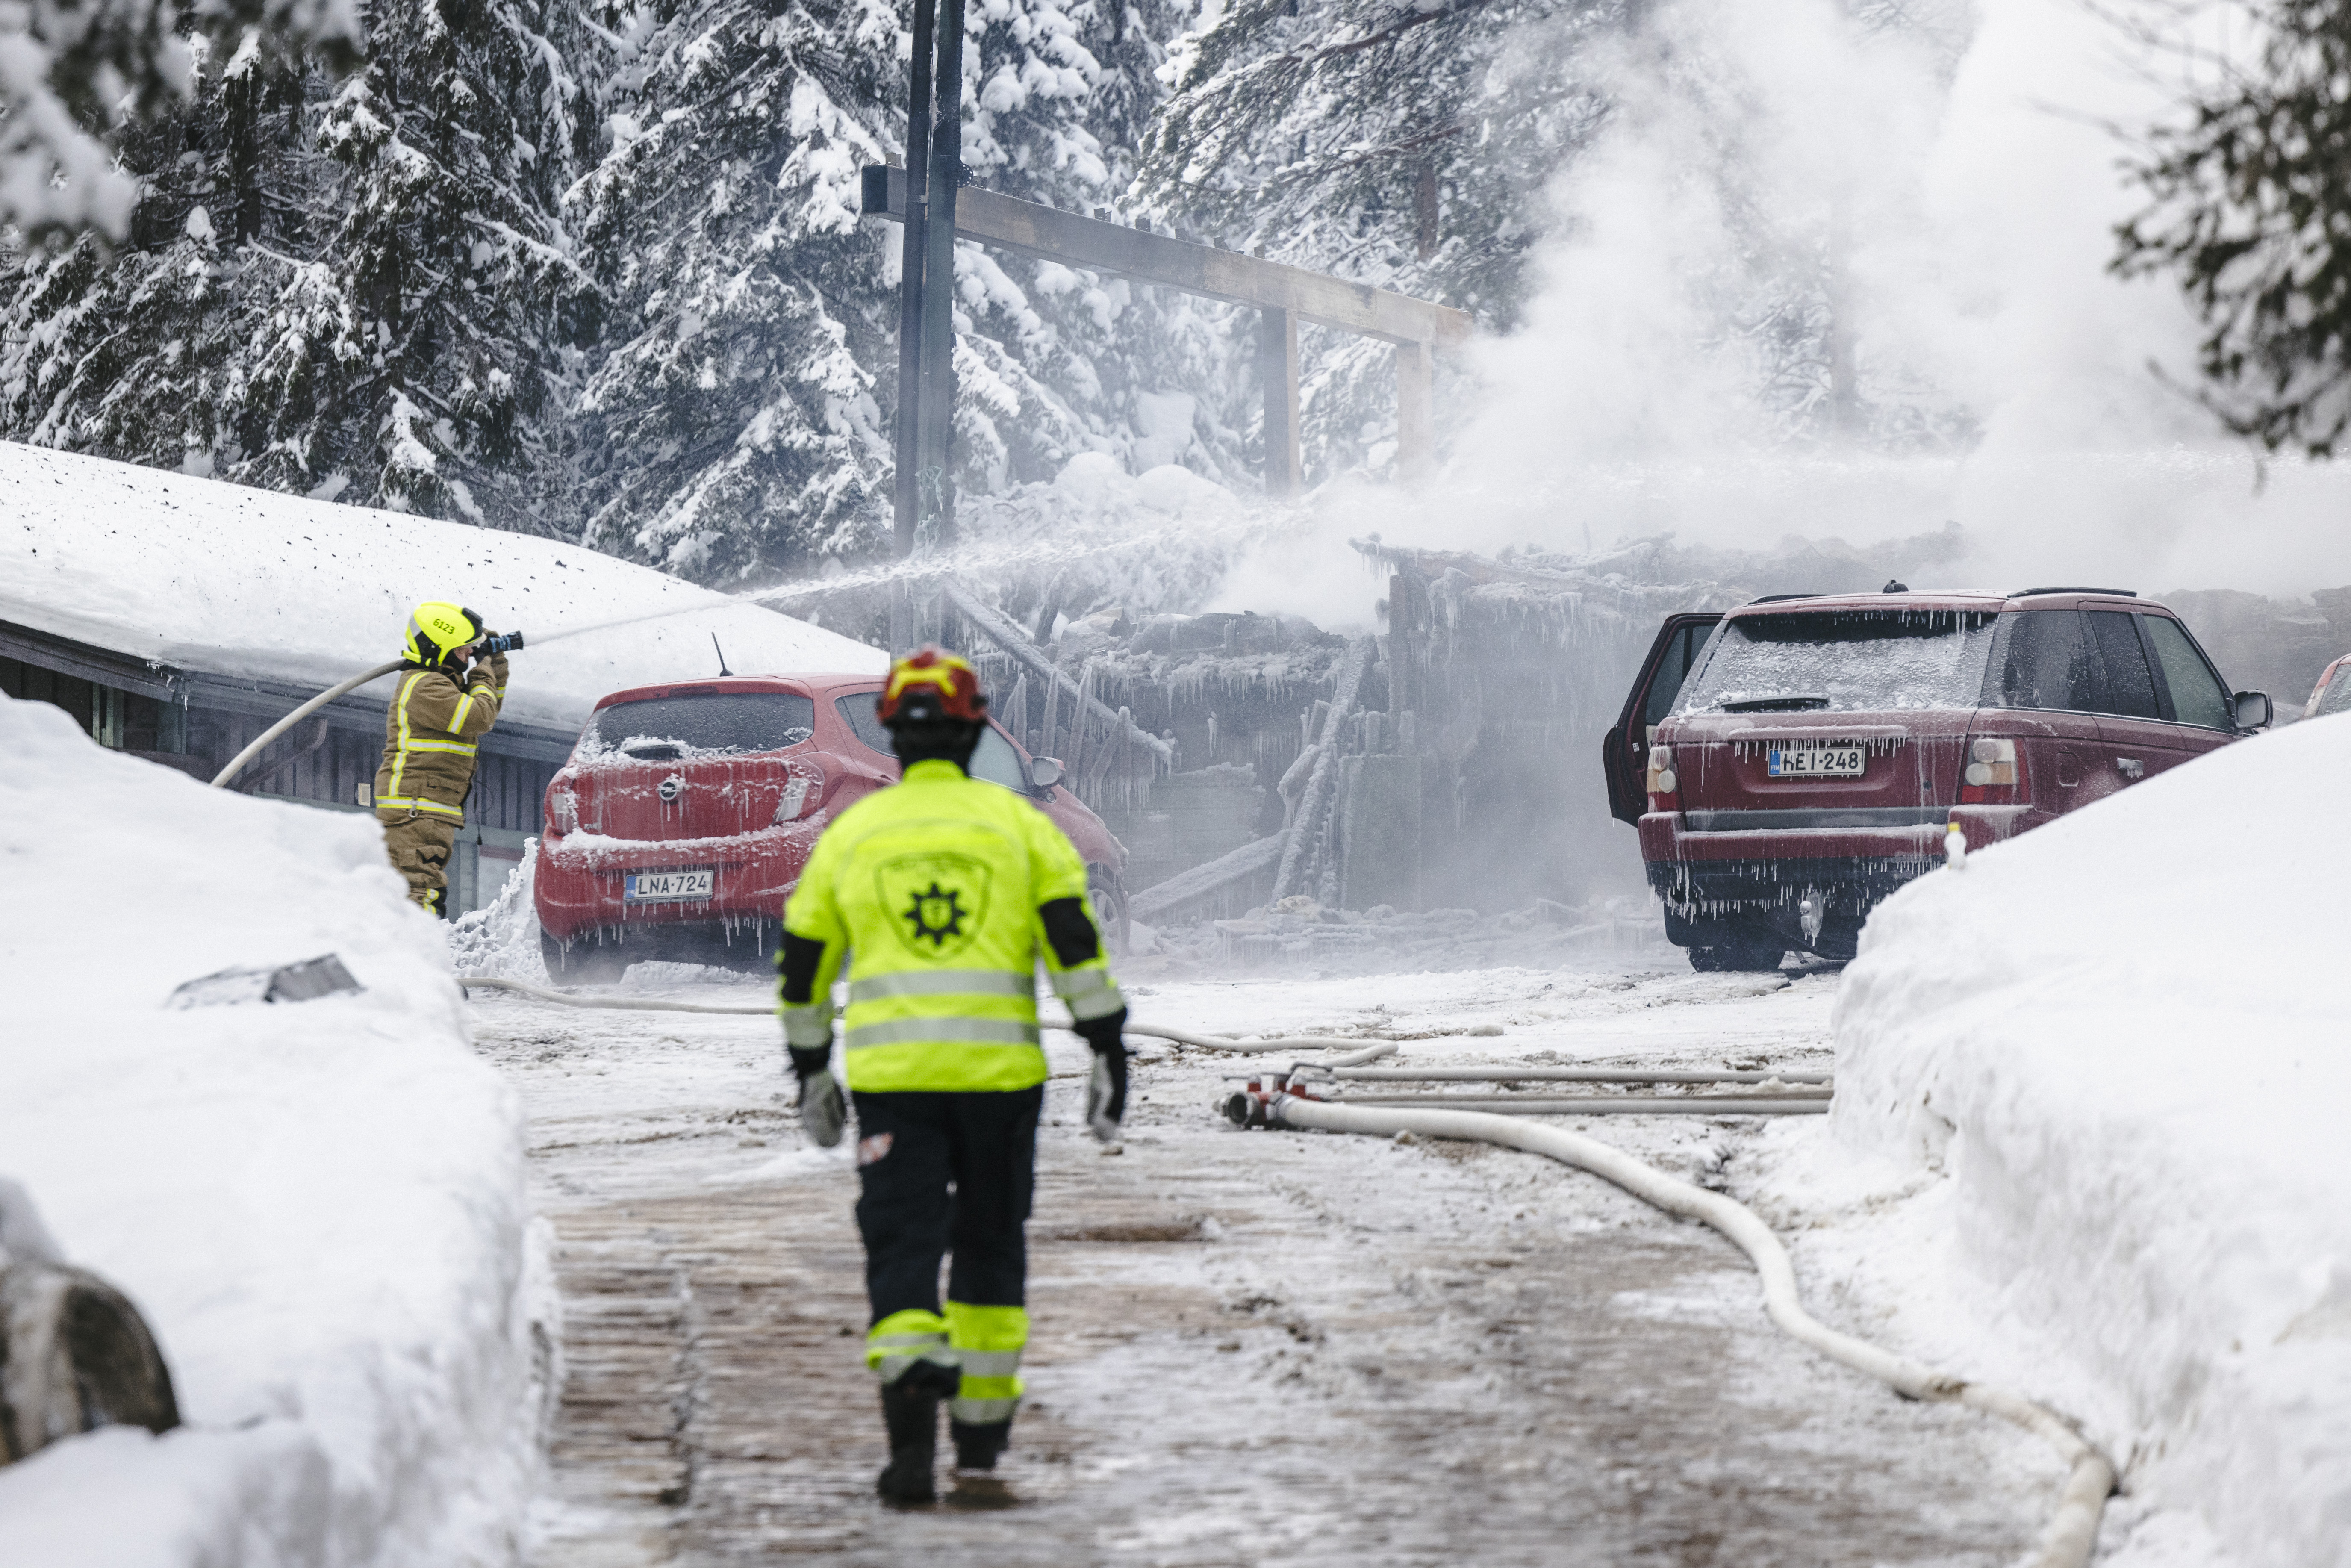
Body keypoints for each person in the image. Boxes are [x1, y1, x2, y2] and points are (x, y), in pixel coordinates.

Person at [775, 647, 1129, 1505]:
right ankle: (977, 1443)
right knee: (988, 1250)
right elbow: (1075, 950)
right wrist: (1107, 1047)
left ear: (892, 734)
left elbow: (804, 964)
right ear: (975, 731)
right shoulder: (1021, 828)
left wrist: (813, 1069)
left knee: (901, 1244)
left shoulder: (855, 832)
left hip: (893, 1084)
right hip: (1000, 1084)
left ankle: (906, 1444)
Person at [374, 602, 508, 916]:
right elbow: (480, 716)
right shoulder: (425, 686)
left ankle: (412, 957)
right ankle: (409, 961)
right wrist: (483, 668)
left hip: (426, 811)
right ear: (440, 648)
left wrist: (494, 662)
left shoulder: (444, 686)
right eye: (463, 650)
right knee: (418, 895)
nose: (467, 656)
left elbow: (487, 707)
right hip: (416, 812)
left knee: (424, 893)